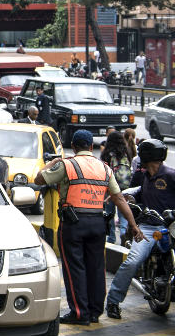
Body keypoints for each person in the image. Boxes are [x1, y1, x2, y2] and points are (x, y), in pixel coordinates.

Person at [35, 130, 142, 325]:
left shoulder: (68, 165)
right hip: (97, 224)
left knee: (74, 268)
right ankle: (94, 312)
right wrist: (133, 225)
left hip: (73, 224)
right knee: (96, 267)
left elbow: (39, 180)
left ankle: (79, 313)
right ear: (91, 147)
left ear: (74, 147)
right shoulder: (105, 168)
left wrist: (52, 162)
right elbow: (118, 198)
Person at [105, 139, 175, 319]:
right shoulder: (143, 176)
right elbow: (138, 190)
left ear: (146, 156)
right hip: (148, 228)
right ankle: (113, 301)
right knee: (132, 261)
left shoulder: (170, 175)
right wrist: (125, 195)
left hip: (171, 227)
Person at [99, 131, 132, 244]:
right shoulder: (126, 153)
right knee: (123, 213)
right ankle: (123, 234)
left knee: (110, 214)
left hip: (110, 188)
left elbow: (103, 171)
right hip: (125, 187)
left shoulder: (107, 154)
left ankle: (112, 238)